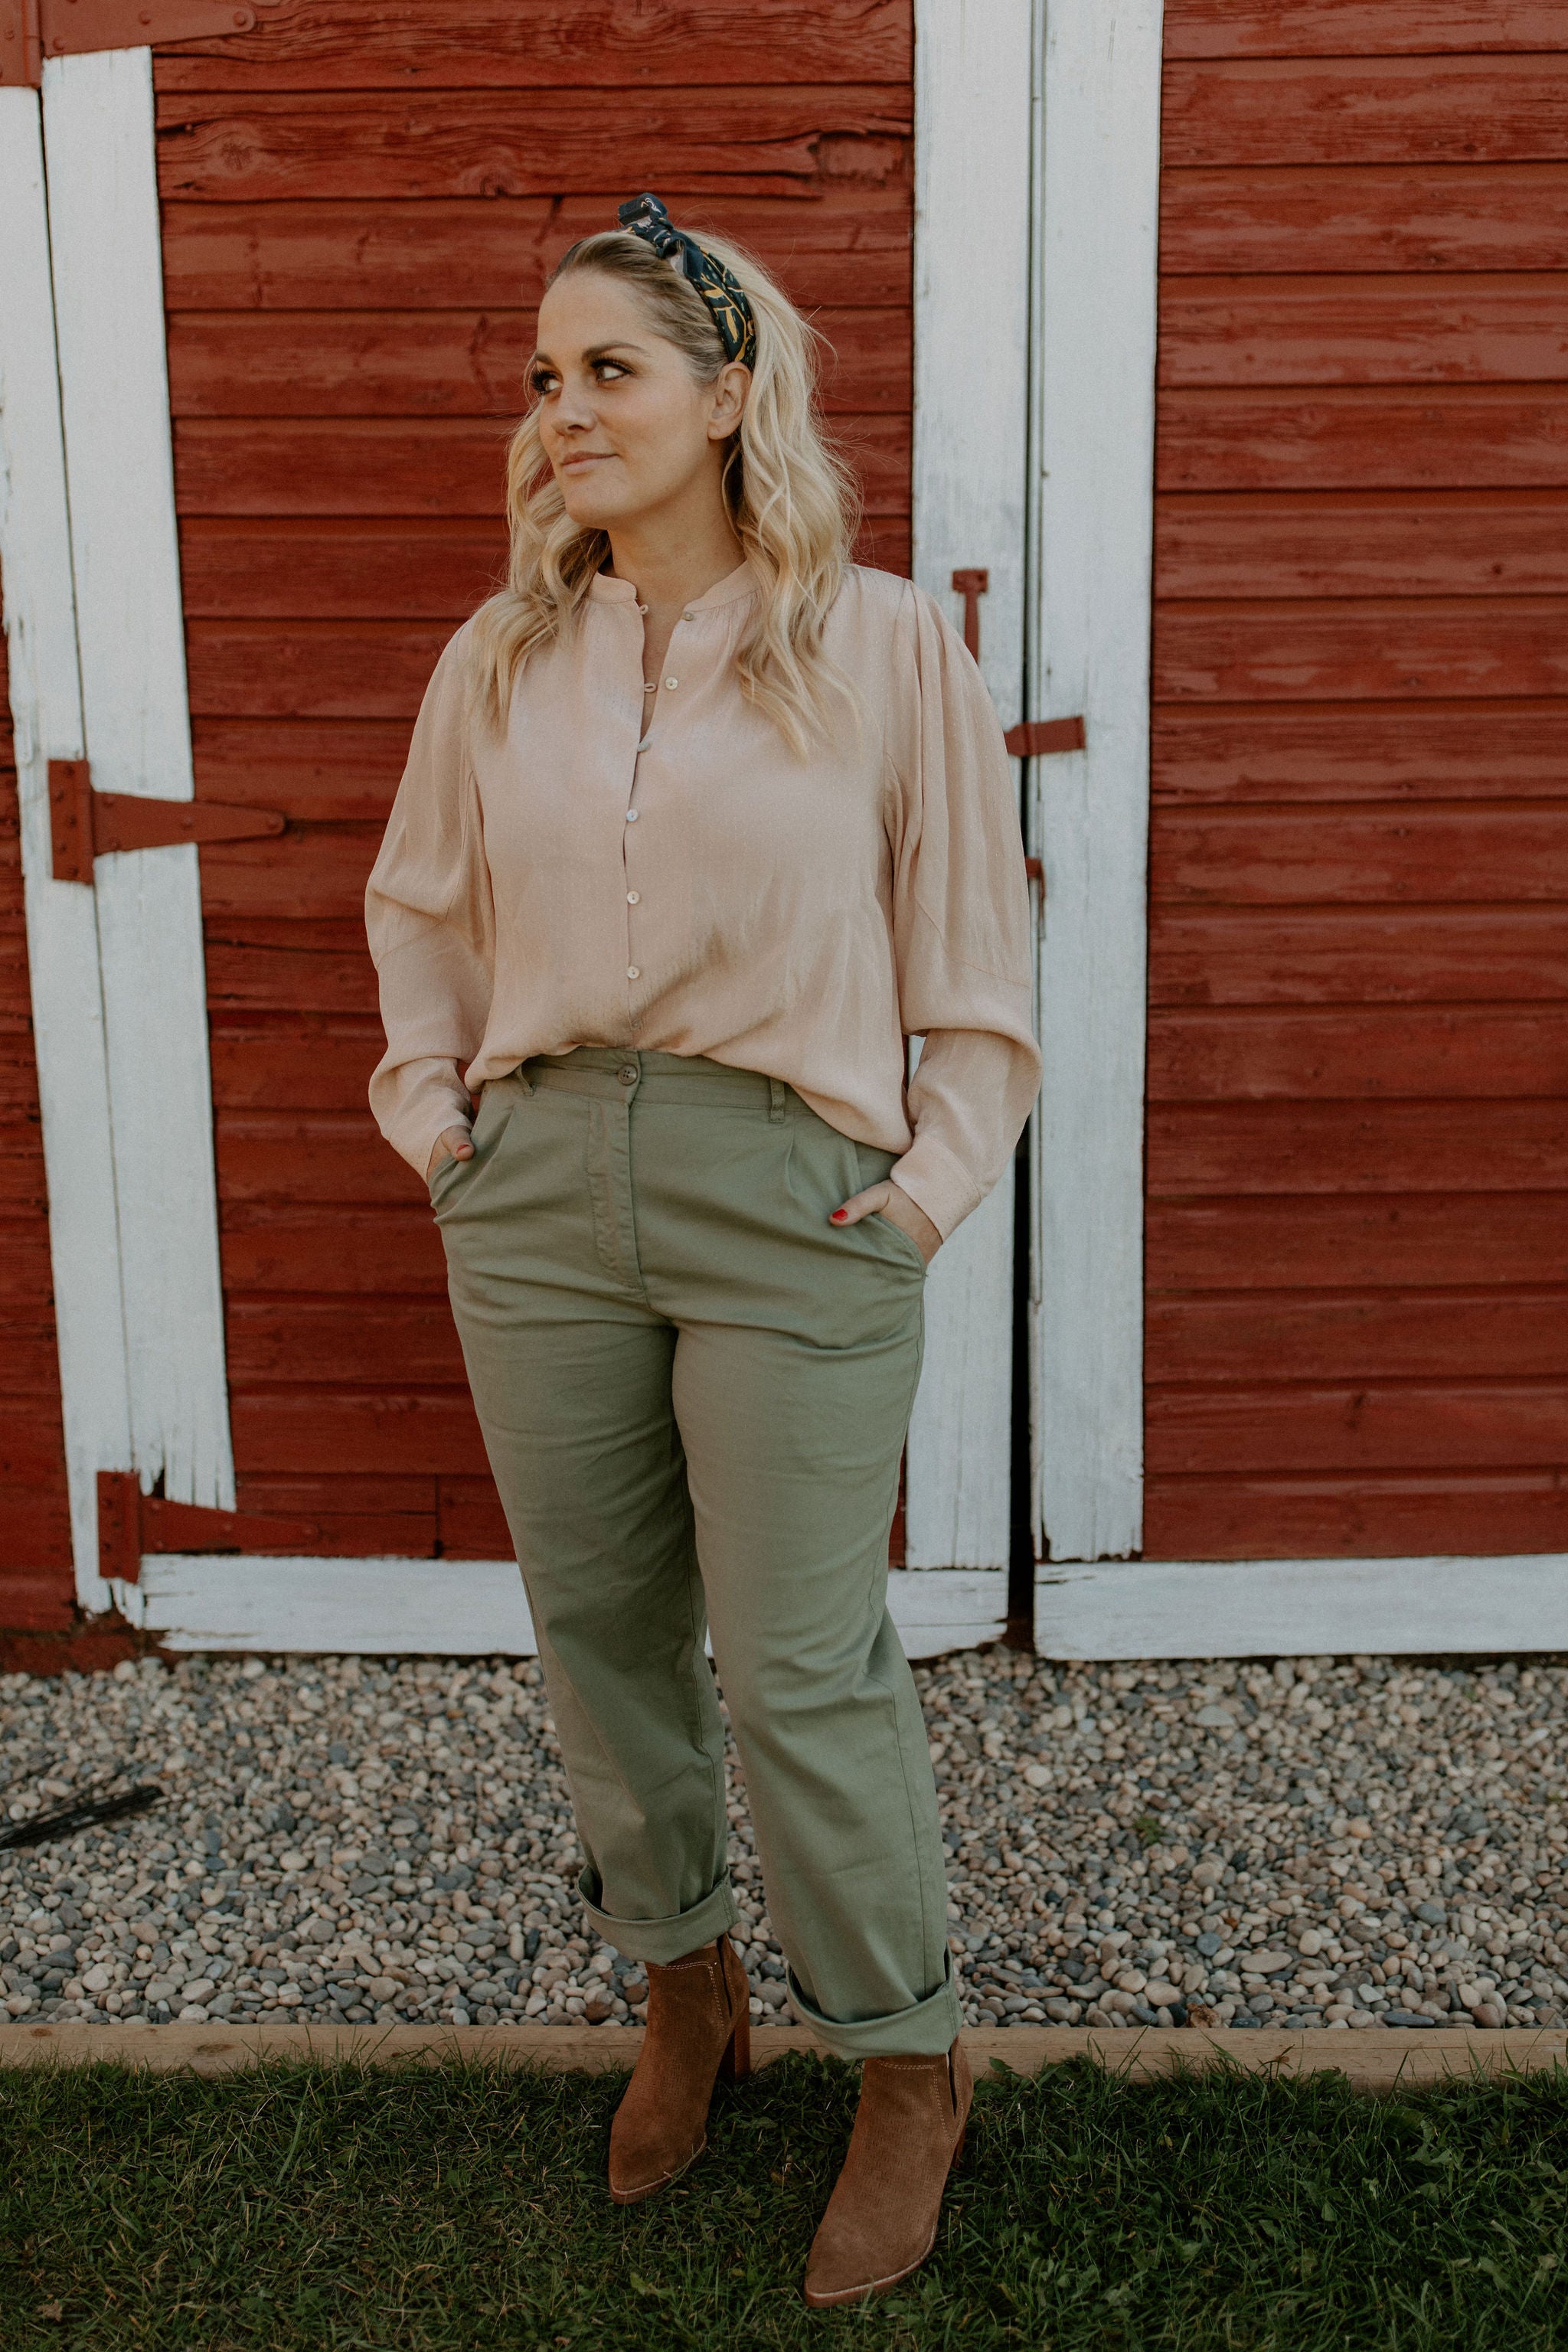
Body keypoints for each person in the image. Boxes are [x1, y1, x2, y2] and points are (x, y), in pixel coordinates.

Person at [365, 192, 1040, 2306]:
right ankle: (688, 1990)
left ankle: (907, 2057)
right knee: (602, 1628)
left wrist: (925, 1191)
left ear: (732, 393)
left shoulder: (884, 645)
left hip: (791, 1197)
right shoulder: (499, 658)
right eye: (544, 375)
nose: (561, 409)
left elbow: (978, 960)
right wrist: (440, 1123)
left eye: (611, 369)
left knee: (799, 1660)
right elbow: (421, 910)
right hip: (543, 1187)